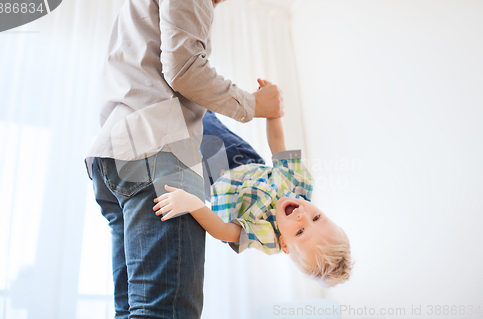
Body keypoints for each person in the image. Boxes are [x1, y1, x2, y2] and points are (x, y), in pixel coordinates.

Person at [85, 1, 284, 318]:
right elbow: (185, 69)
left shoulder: (269, 236)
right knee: (165, 311)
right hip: (158, 154)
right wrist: (255, 106)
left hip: (117, 156)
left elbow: (226, 231)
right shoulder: (295, 188)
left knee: (134, 310)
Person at [154, 80, 353, 288]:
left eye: (300, 231)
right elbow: (278, 144)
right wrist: (272, 113)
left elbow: (223, 230)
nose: (303, 216)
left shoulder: (266, 235)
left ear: (284, 244)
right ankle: (179, 86)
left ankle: (155, 106)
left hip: (214, 179)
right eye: (317, 217)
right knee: (203, 118)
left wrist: (191, 204)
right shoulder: (299, 185)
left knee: (178, 135)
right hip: (242, 157)